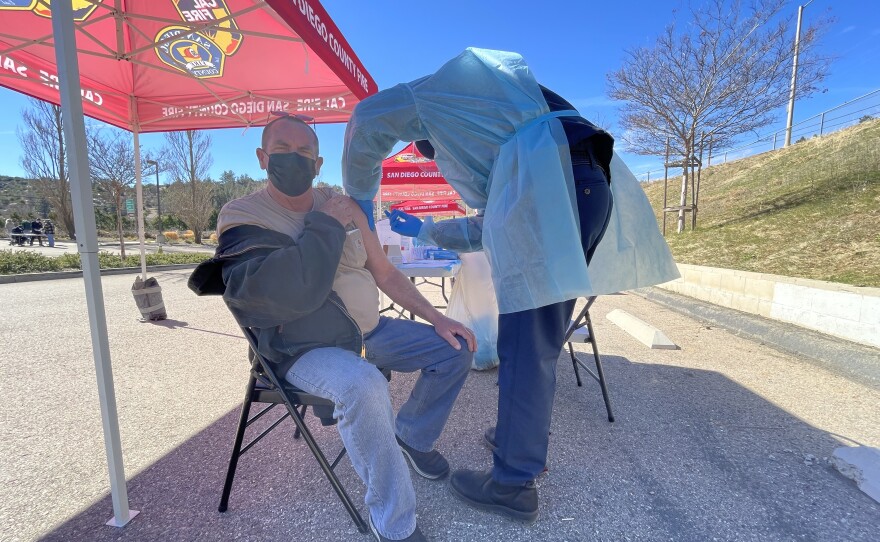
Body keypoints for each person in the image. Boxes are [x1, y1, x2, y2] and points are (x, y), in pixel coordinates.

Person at [342, 48, 679, 524]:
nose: (446, 165)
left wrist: (358, 196)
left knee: (526, 346)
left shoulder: (435, 97)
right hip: (584, 188)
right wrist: (424, 231)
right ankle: (517, 440)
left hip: (556, 190)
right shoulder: (510, 118)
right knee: (537, 341)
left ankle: (513, 484)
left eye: (436, 153)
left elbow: (365, 118)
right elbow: (494, 223)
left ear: (427, 132)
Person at [189, 114, 475, 542]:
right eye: (283, 150)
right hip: (301, 349)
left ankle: (413, 436)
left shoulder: (344, 202)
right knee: (362, 385)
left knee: (455, 347)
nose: (294, 159)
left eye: (305, 152)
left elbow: (385, 273)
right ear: (262, 157)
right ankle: (394, 524)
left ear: (319, 163)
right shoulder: (245, 214)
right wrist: (324, 223)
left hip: (369, 334)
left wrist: (438, 317)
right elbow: (289, 291)